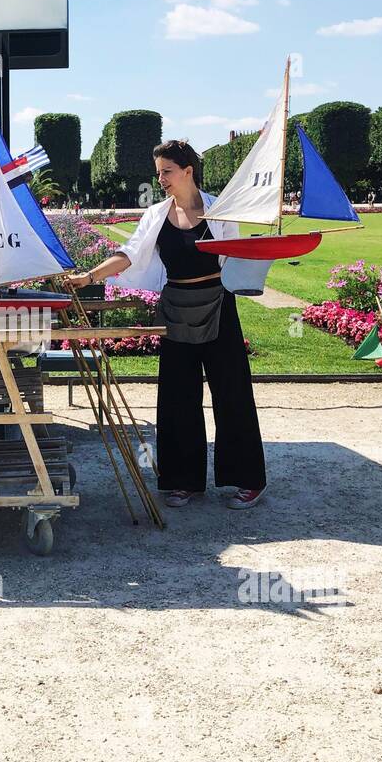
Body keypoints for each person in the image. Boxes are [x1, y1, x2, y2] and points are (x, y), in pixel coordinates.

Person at [65, 139, 267, 509]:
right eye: (158, 173)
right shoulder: (156, 214)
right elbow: (128, 254)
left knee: (232, 393)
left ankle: (248, 480)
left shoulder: (220, 211)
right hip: (176, 309)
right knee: (177, 397)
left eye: (167, 171)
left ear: (188, 171)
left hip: (219, 306)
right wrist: (88, 277)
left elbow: (236, 258)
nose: (161, 179)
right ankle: (182, 481)